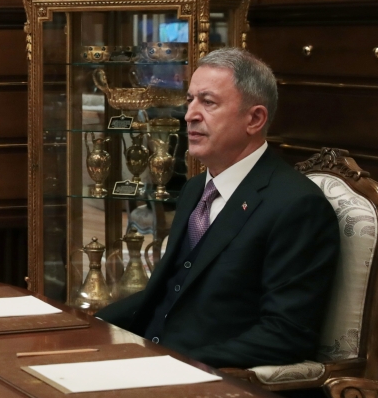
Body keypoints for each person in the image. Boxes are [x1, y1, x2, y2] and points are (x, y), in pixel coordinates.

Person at [96, 48, 339, 370]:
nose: (190, 115)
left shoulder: (296, 205)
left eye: (208, 103)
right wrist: (86, 326)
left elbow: (286, 334)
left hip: (221, 389)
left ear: (254, 119)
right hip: (152, 364)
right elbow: (165, 293)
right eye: (190, 100)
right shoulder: (197, 187)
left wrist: (175, 365)